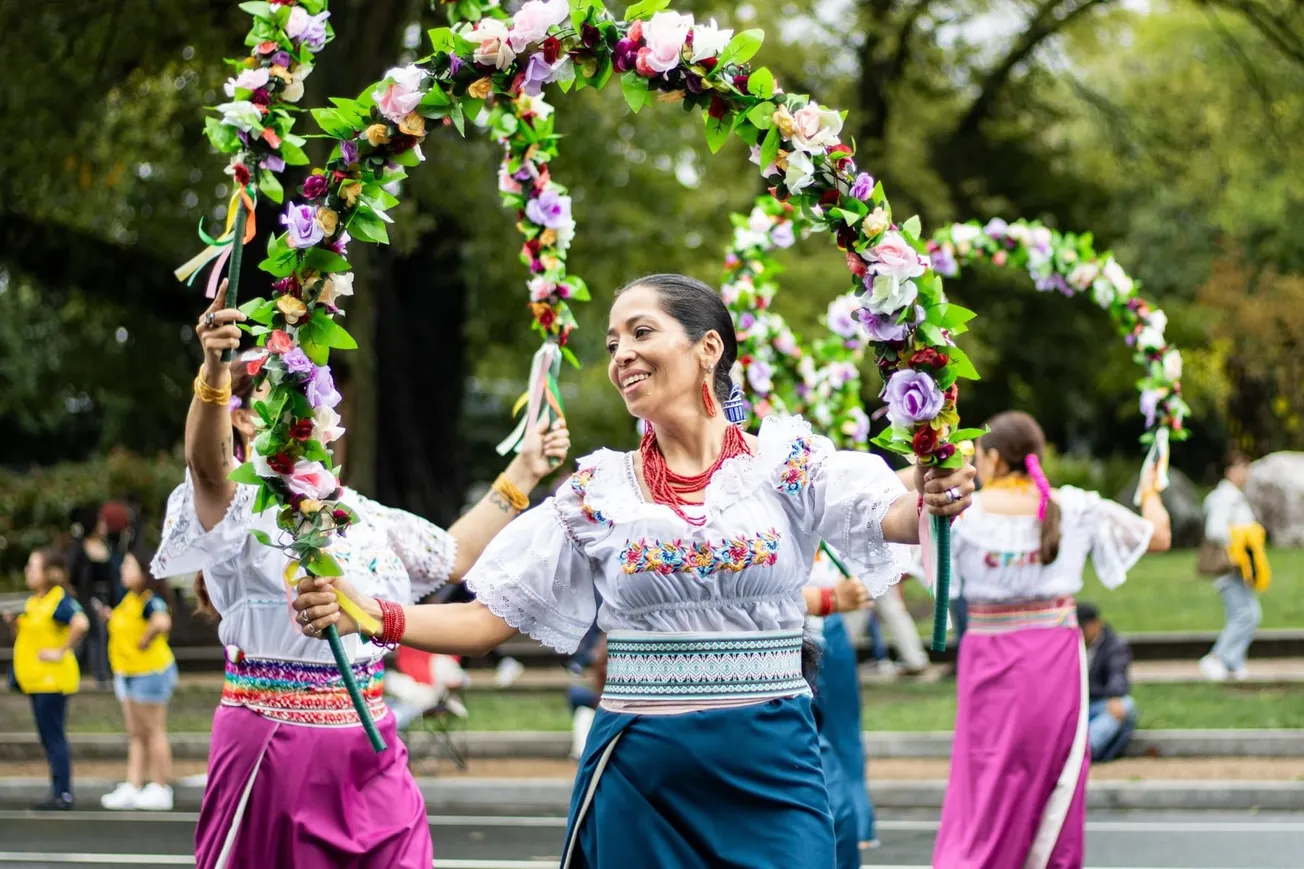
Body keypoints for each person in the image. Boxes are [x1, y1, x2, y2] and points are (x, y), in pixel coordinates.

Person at [294, 273, 975, 868]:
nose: (621, 353)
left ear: (709, 347)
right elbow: (487, 616)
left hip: (772, 764)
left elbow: (897, 512)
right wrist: (373, 612)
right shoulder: (598, 492)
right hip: (641, 770)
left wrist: (938, 491)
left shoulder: (788, 464)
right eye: (613, 341)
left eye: (640, 331)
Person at [151, 280, 570, 869]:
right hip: (275, 749)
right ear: (248, 423)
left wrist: (525, 469)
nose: (315, 408)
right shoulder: (237, 507)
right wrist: (215, 376)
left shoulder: (361, 514)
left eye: (318, 396)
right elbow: (208, 467)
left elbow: (453, 555)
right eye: (289, 395)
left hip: (372, 752)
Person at [932, 411, 1171, 869]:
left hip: (988, 656)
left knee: (986, 773)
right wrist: (1151, 491)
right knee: (1052, 770)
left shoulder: (963, 513)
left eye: (979, 457)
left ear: (995, 459)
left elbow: (903, 548)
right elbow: (1157, 535)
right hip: (1053, 659)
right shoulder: (1077, 508)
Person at [93, 546, 180, 811]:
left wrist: (146, 639)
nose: (123, 570)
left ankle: (161, 786)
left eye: (129, 566)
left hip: (149, 672)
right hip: (128, 672)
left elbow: (162, 622)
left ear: (145, 572)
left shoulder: (149, 600)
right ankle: (134, 784)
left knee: (153, 730)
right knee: (135, 733)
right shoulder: (129, 600)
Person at [806, 546, 878, 862]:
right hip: (795, 636)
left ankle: (857, 822)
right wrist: (829, 598)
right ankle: (854, 823)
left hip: (823, 635)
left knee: (839, 737)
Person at [5, 548, 90, 810]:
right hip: (36, 681)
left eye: (34, 566)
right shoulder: (36, 602)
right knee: (47, 736)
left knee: (53, 736)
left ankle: (63, 791)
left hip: (52, 681)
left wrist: (60, 650)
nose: (28, 571)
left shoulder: (58, 600)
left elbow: (81, 623)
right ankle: (57, 788)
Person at [1199, 450, 1263, 682]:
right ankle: (1217, 658)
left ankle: (1234, 663)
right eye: (1241, 467)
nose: (1245, 472)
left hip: (1240, 566)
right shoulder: (1225, 497)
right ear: (1229, 471)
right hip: (1229, 566)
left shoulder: (1234, 495)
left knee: (1242, 614)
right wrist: (1237, 544)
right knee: (1247, 615)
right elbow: (1215, 529)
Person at [68, 506, 123, 687]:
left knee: (97, 635)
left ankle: (79, 668)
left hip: (107, 594)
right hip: (88, 596)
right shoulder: (80, 547)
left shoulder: (107, 545)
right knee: (96, 632)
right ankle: (101, 675)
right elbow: (74, 576)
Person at [1077, 602, 1138, 763]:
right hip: (1075, 706)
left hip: (1099, 703)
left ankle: (1085, 749)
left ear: (1096, 624)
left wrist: (1115, 696)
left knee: (1125, 705)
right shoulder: (1070, 645)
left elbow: (1117, 674)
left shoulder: (1113, 645)